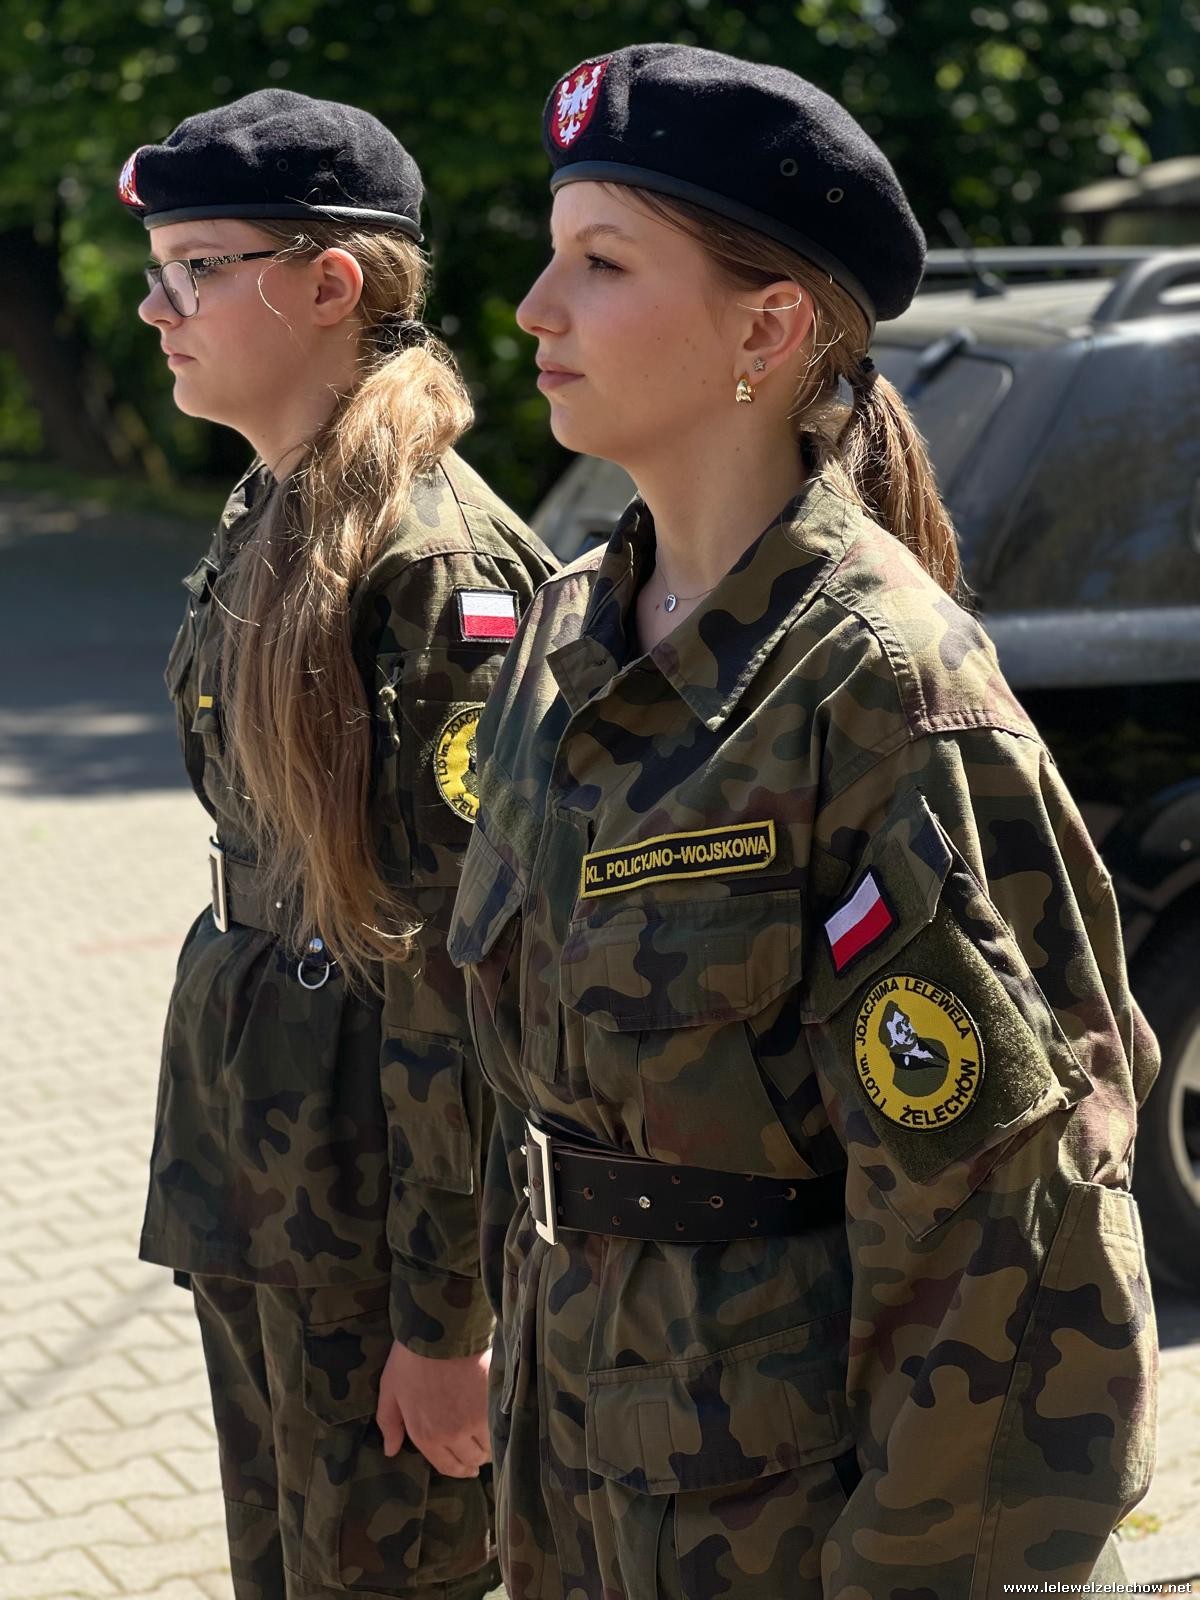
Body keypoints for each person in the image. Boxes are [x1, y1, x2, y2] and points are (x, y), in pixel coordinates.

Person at [447, 43, 1160, 1600]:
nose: (536, 308)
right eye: (554, 256)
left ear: (765, 329)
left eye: (602, 263)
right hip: (582, 1453)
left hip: (787, 1509)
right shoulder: (563, 638)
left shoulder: (882, 688)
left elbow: (1001, 1228)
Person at [122, 88, 555, 1600]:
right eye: (157, 271)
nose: (156, 310)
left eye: (195, 269)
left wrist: (447, 1318)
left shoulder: (432, 562)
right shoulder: (282, 501)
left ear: (329, 284)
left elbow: (461, 966)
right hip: (266, 1151)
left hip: (374, 1203)